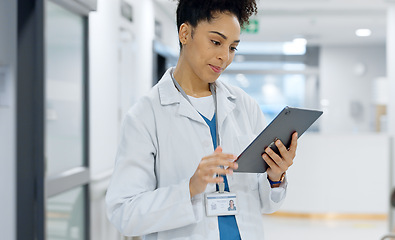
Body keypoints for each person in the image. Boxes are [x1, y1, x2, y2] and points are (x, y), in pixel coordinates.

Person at [105, 0, 298, 239]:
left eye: (232, 48)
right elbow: (125, 214)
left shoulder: (244, 105)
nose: (224, 57)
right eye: (216, 42)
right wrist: (189, 188)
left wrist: (275, 177)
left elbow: (266, 204)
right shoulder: (145, 115)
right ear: (185, 33)